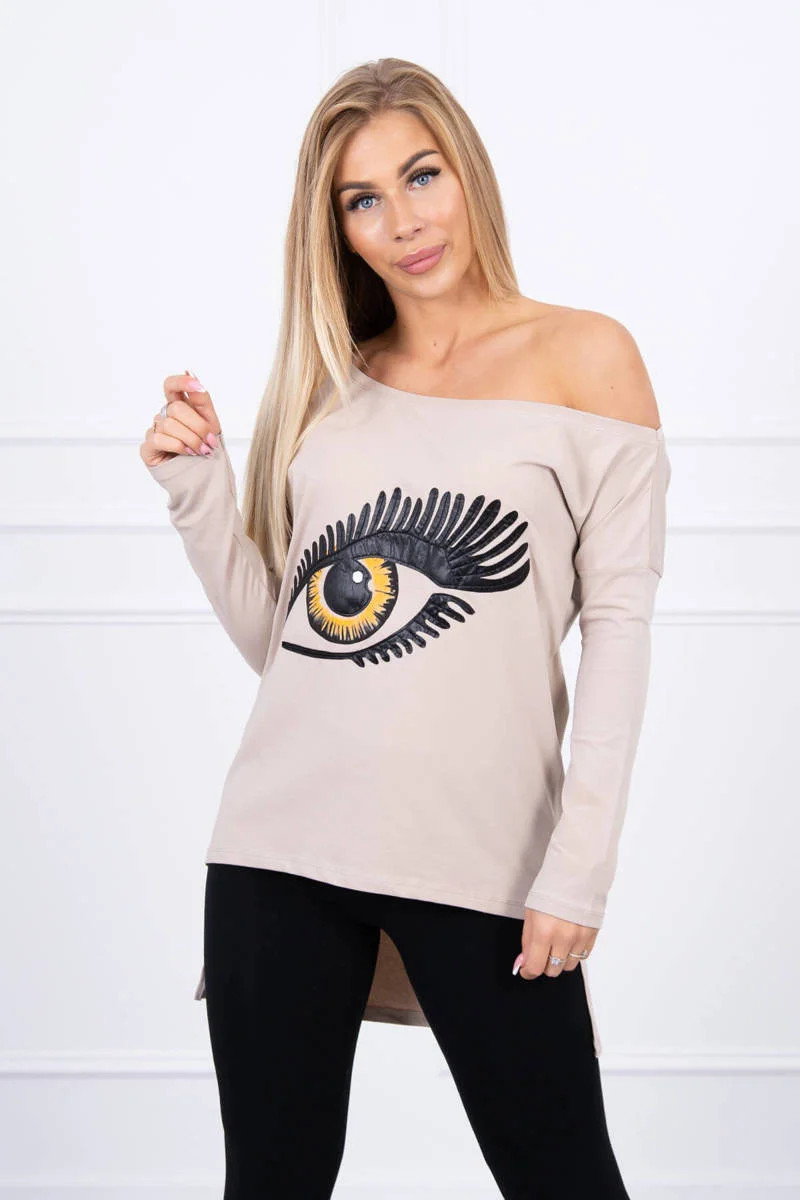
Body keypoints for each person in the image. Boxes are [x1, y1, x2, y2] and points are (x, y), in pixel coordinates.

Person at [139, 57, 670, 1200]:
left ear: (465, 170)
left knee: (566, 1179)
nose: (403, 222)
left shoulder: (586, 358)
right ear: (333, 227)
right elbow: (292, 649)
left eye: (421, 176)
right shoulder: (336, 383)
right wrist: (198, 489)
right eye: (362, 199)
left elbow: (619, 632)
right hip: (277, 850)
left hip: (484, 860)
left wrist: (578, 870)